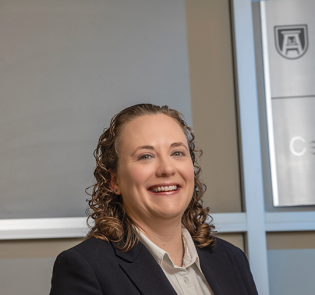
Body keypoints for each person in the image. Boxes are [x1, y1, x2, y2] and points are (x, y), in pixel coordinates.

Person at [50, 104, 258, 295]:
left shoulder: (231, 259)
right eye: (146, 156)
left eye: (177, 153)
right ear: (114, 181)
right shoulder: (86, 267)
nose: (167, 169)